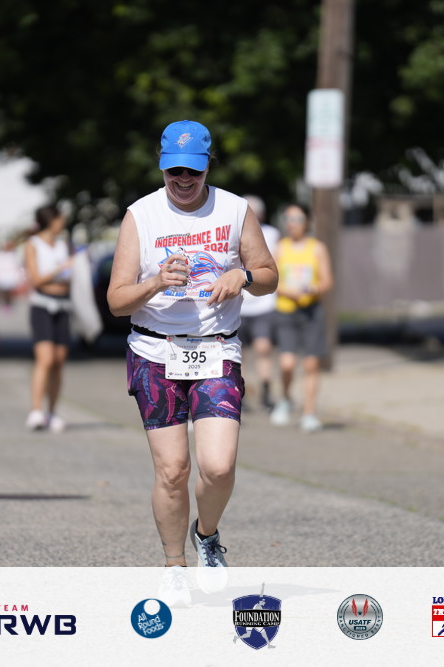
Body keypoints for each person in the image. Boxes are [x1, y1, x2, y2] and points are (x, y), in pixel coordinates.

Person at [106, 120, 277, 604]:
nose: (183, 180)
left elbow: (269, 275)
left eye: (193, 172)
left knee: (218, 467)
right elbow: (117, 301)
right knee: (173, 470)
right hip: (154, 352)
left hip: (216, 349)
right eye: (174, 171)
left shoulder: (234, 210)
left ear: (207, 168)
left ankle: (207, 535)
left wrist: (243, 276)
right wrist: (155, 282)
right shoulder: (140, 216)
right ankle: (174, 565)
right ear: (162, 167)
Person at [269, 204, 334, 433]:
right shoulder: (280, 247)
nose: (292, 223)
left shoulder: (317, 248)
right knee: (287, 363)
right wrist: (288, 292)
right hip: (286, 310)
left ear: (307, 222)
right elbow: (272, 280)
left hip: (311, 310)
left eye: (297, 218)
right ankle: (285, 398)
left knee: (311, 364)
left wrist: (313, 289)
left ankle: (309, 412)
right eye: (288, 218)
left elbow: (327, 280)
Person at [24, 204, 73, 433]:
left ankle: (53, 412)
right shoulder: (33, 244)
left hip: (63, 304)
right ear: (51, 220)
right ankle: (36, 411)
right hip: (42, 305)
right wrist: (59, 270)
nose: (62, 222)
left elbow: (71, 277)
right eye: (60, 218)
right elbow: (36, 280)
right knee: (45, 359)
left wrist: (66, 273)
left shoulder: (63, 244)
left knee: (59, 361)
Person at [239, 195, 280, 411]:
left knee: (263, 348)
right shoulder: (233, 231)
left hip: (264, 303)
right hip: (239, 303)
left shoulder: (272, 234)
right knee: (240, 352)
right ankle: (242, 392)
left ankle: (266, 390)